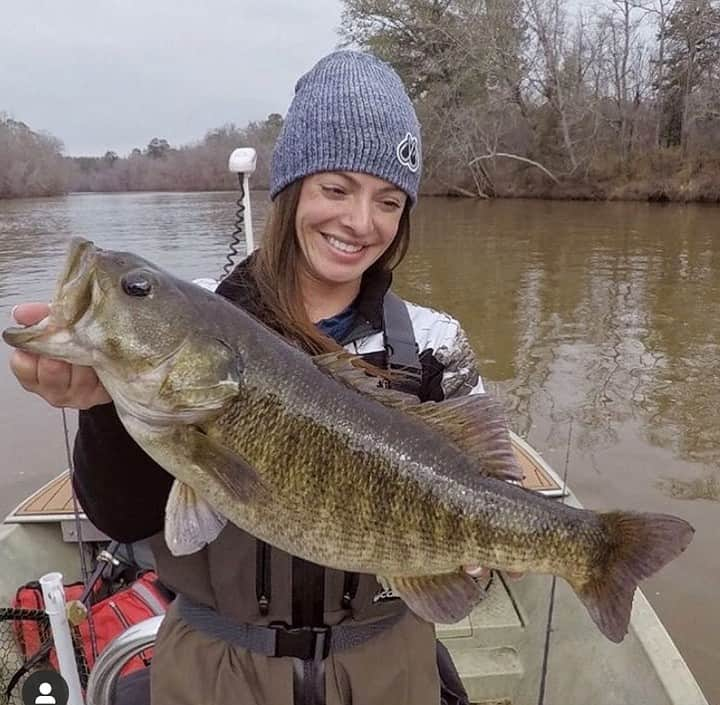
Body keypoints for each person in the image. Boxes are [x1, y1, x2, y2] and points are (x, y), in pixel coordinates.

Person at [9, 50, 517, 705]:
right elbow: (124, 515)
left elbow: (487, 503)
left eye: (388, 201)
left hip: (386, 670)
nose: (360, 223)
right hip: (219, 671)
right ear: (293, 187)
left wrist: (476, 561)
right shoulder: (196, 318)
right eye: (336, 189)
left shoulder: (435, 342)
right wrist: (103, 407)